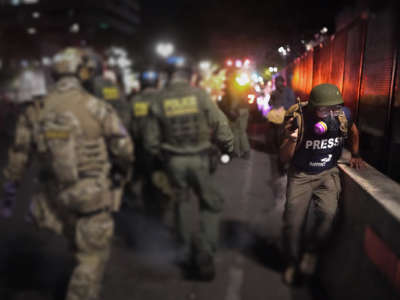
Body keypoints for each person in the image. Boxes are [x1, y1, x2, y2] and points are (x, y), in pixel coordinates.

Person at [0, 47, 134, 300]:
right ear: (82, 72)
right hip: (91, 196)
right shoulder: (96, 107)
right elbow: (124, 147)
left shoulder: (36, 109)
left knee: (74, 241)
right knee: (91, 255)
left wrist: (9, 193)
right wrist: (121, 172)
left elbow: (18, 156)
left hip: (53, 197)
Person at [144, 68, 234, 281]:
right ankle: (205, 249)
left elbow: (150, 141)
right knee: (211, 203)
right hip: (200, 160)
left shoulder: (159, 99)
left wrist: (159, 158)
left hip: (174, 162)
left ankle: (184, 251)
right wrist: (227, 146)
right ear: (190, 78)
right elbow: (220, 123)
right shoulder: (199, 96)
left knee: (181, 203)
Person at [279, 83, 364, 285]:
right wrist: (292, 139)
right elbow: (283, 158)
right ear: (313, 107)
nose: (329, 113)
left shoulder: (342, 116)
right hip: (301, 175)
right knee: (292, 223)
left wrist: (356, 153)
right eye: (324, 109)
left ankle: (310, 252)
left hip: (328, 173)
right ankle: (292, 263)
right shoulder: (300, 120)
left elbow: (354, 132)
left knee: (328, 215)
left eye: (334, 108)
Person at [128, 70, 174, 218]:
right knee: (162, 186)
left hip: (140, 150)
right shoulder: (165, 99)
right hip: (163, 151)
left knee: (146, 185)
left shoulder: (134, 101)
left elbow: (127, 126)